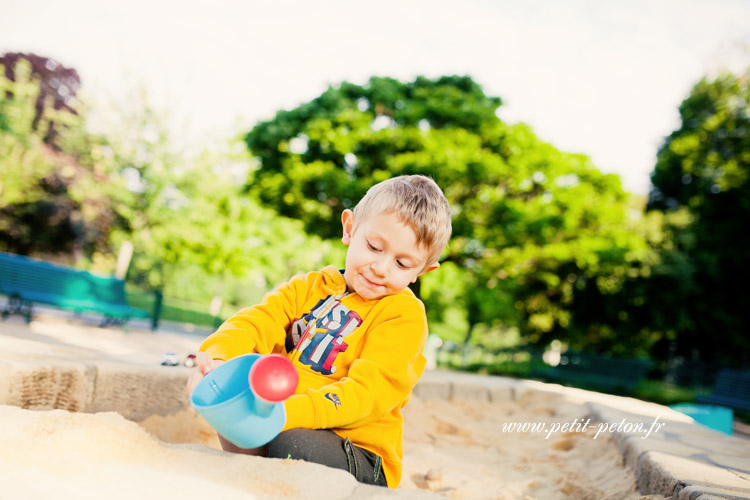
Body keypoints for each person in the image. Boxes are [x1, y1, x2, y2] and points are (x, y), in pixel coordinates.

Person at [187, 174, 452, 488]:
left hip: (357, 452)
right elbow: (257, 321)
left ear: (422, 271)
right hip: (285, 421)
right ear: (349, 228)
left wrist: (288, 412)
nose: (381, 268)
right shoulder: (310, 287)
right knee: (236, 397)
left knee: (292, 445)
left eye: (402, 264)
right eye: (374, 247)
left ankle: (266, 472)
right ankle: (252, 477)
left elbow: (365, 396)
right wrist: (216, 357)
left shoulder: (402, 316)